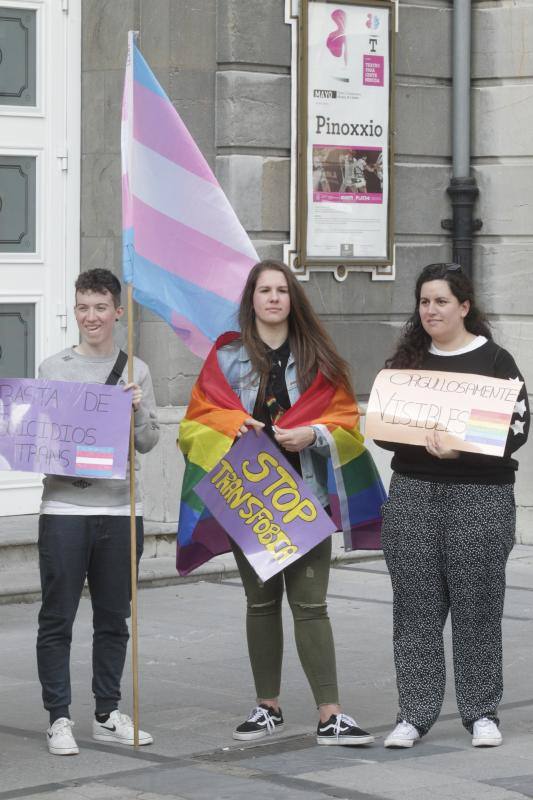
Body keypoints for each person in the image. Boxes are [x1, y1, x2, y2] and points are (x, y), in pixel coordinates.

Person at [178, 259, 385, 746]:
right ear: (251, 299)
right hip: (250, 501)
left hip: (304, 500)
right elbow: (193, 427)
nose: (273, 298)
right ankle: (266, 706)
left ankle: (330, 714)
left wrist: (312, 434)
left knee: (311, 605)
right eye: (264, 290)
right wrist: (232, 426)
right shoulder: (226, 357)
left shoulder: (319, 358)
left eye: (281, 290)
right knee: (261, 604)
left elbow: (348, 427)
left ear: (293, 299)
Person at [376, 263, 530, 750]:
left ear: (464, 307)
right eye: (424, 302)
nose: (430, 310)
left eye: (441, 301)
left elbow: (517, 427)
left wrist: (462, 446)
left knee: (477, 606)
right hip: (414, 493)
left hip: (479, 496)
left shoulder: (495, 362)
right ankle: (414, 713)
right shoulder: (408, 363)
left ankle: (481, 712)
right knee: (415, 607)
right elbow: (383, 426)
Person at [37, 269, 159, 755]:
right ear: (75, 310)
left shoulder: (138, 370)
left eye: (100, 307)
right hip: (65, 507)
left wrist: (136, 411)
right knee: (57, 617)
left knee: (114, 616)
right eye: (83, 307)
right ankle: (59, 717)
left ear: (117, 312)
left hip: (120, 510)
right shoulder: (53, 368)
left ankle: (107, 712)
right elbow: (39, 441)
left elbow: (148, 443)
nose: (91, 317)